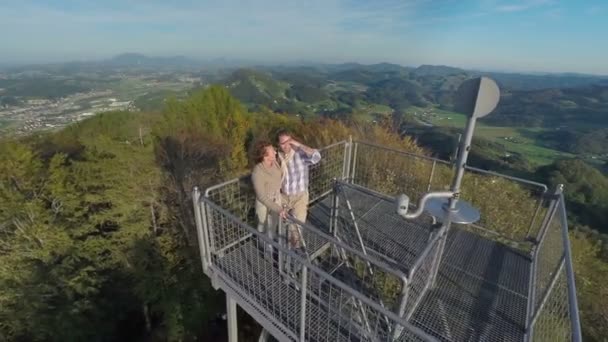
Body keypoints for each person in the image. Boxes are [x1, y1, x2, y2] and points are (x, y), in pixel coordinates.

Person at [276, 129, 322, 251]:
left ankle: (295, 251)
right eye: (282, 143)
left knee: (296, 226)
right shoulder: (279, 157)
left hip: (299, 197)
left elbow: (316, 156)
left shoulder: (300, 154)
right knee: (283, 225)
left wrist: (298, 144)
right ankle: (284, 249)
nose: (285, 145)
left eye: (287, 142)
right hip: (284, 196)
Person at [251, 140, 287, 251]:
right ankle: (264, 244)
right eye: (272, 151)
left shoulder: (275, 162)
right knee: (262, 224)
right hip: (264, 203)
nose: (275, 152)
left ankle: (270, 241)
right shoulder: (258, 172)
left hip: (276, 198)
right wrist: (278, 208)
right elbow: (261, 196)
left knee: (273, 224)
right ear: (265, 155)